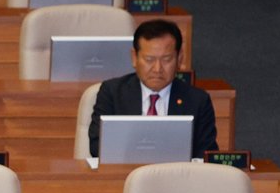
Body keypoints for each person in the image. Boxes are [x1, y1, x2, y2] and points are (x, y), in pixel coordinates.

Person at [87, 18, 217, 158]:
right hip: (123, 175)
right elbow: (97, 145)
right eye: (149, 60)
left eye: (166, 59)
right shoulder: (112, 93)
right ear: (134, 58)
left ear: (179, 59)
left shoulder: (198, 100)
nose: (157, 69)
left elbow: (206, 154)